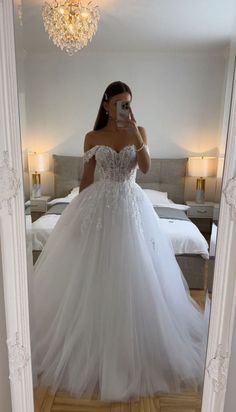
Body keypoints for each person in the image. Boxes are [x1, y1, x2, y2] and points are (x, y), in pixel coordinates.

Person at [31, 81, 210, 402]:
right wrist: (74, 218)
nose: (123, 109)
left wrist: (138, 137)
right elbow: (86, 181)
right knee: (92, 274)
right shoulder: (92, 137)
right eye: (118, 103)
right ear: (105, 105)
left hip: (130, 207)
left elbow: (145, 167)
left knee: (134, 272)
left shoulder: (138, 131)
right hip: (98, 208)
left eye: (127, 103)